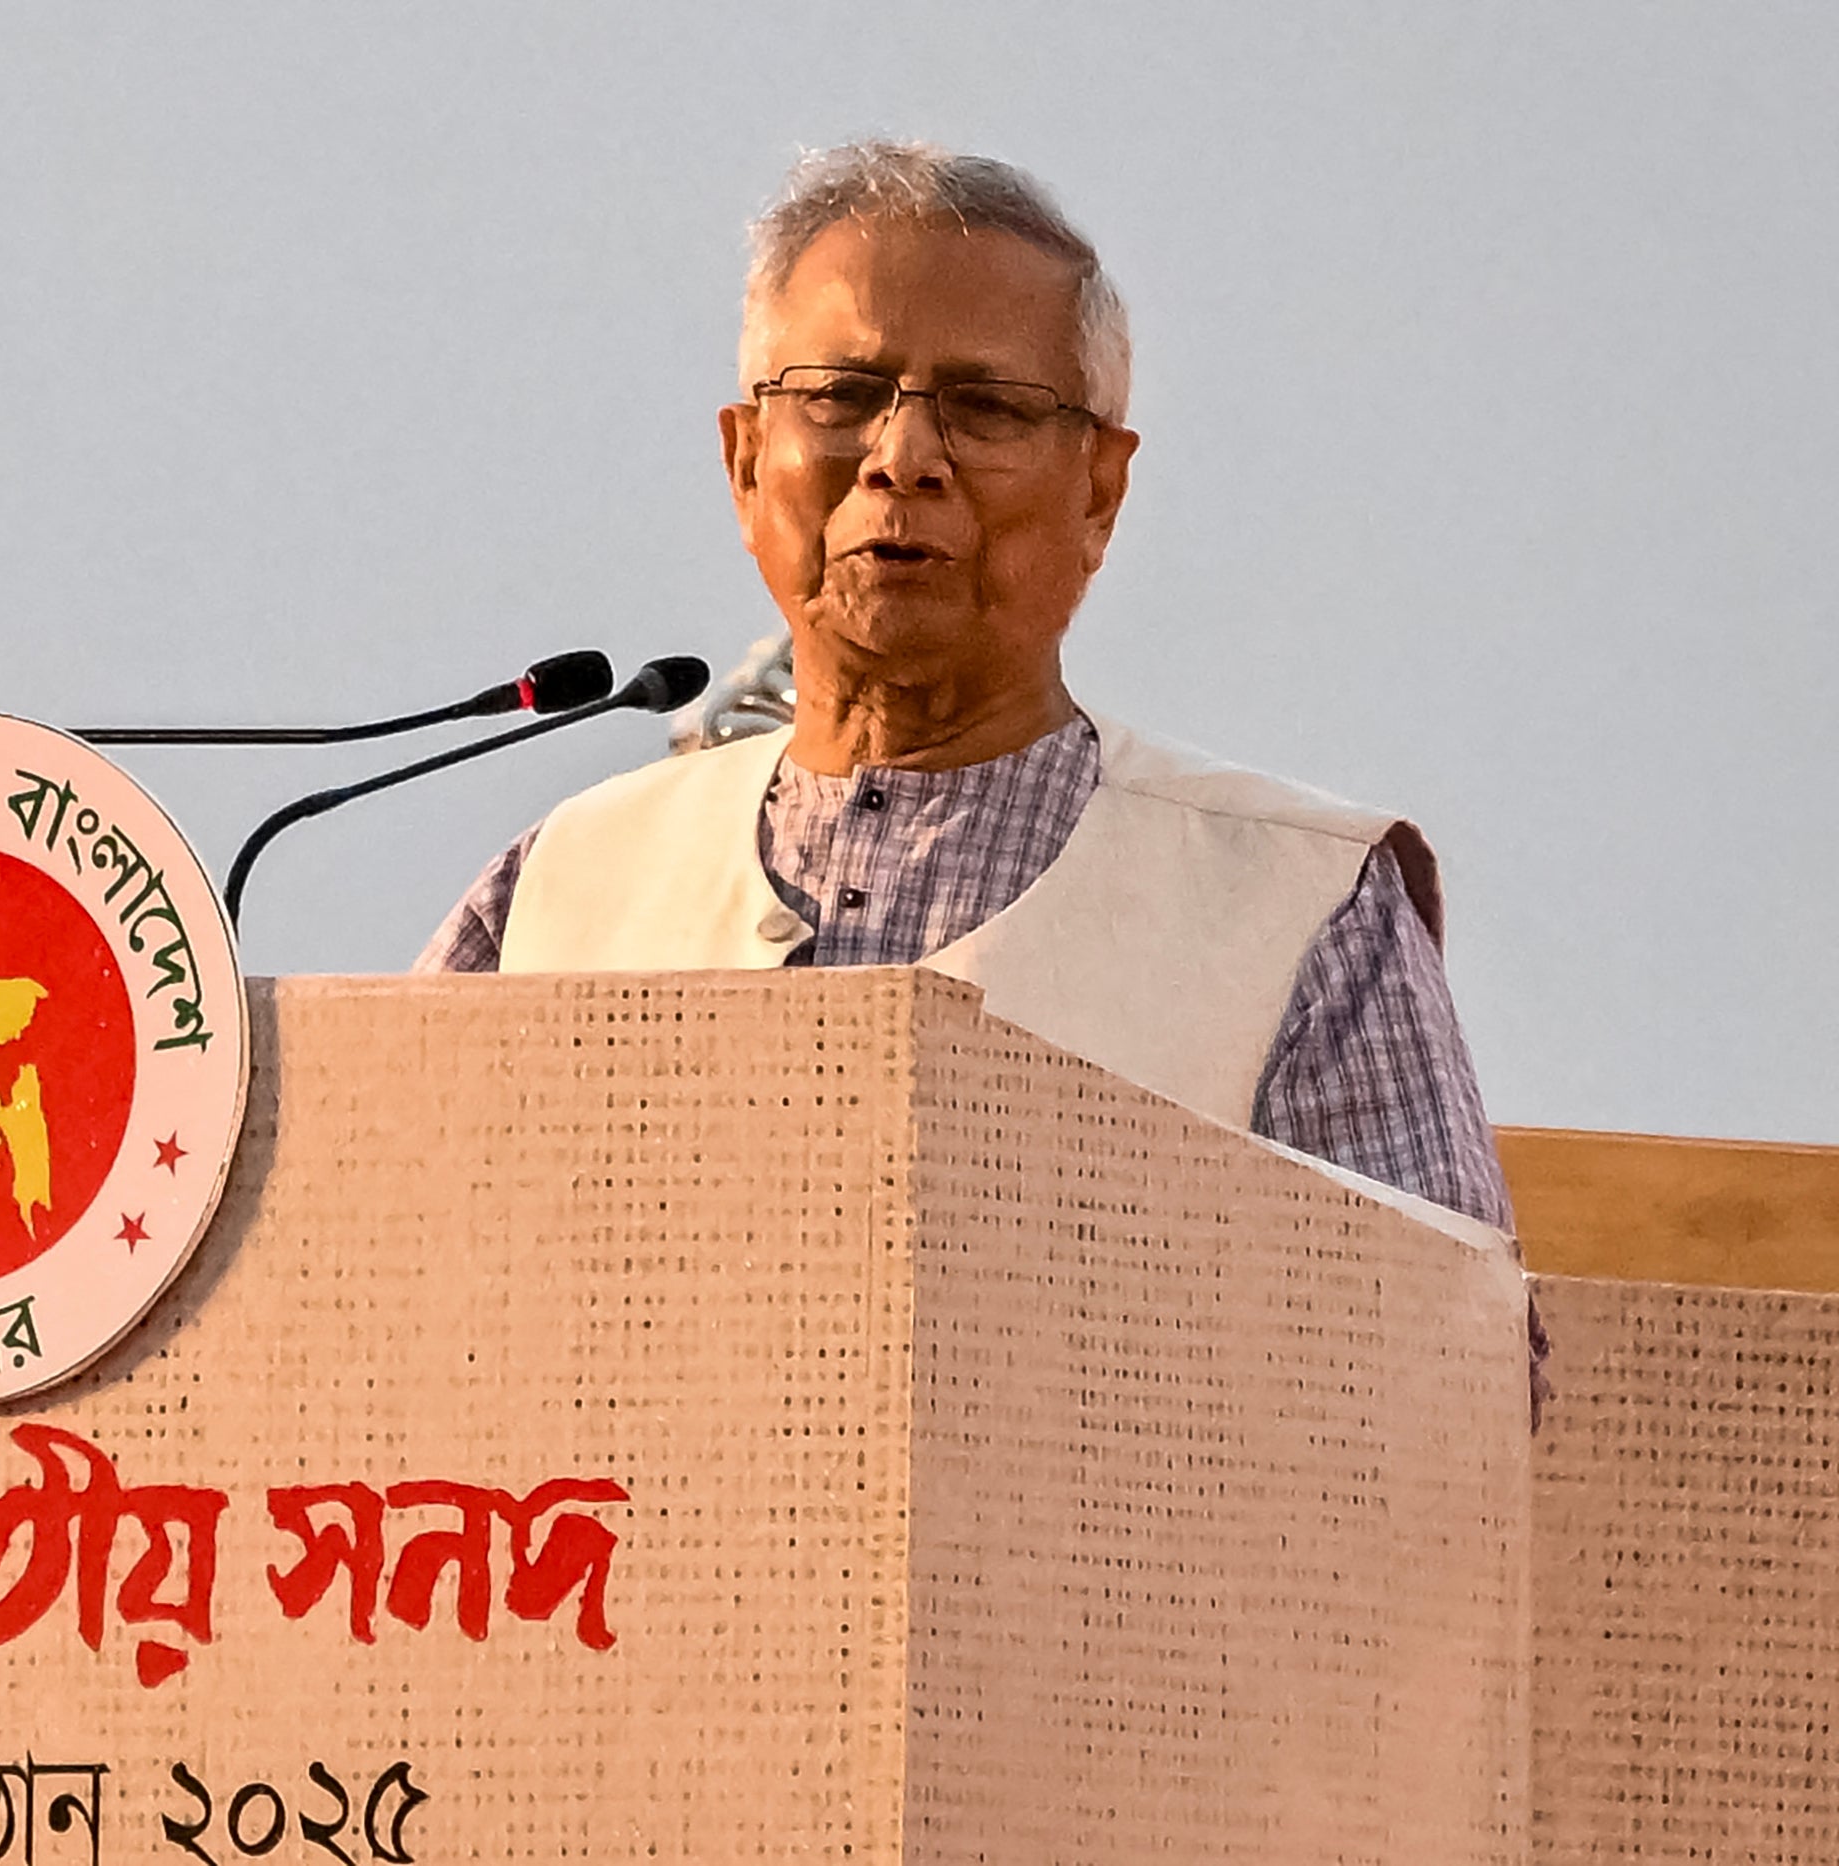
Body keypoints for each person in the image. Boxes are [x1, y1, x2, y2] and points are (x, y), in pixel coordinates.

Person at [418, 139, 1544, 1413]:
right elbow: (367, 1298)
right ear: (743, 461)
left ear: (1099, 493)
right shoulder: (559, 886)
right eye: (839, 396)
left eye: (989, 409)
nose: (902, 457)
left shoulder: (1297, 907)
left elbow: (1444, 1405)